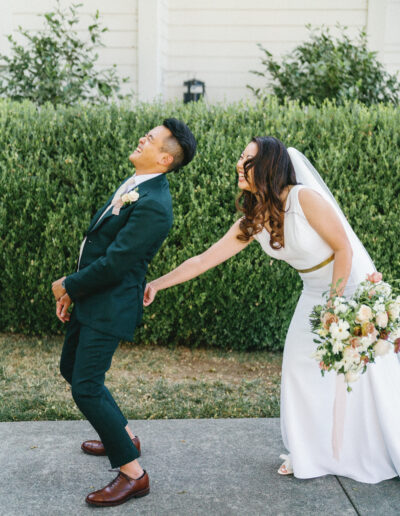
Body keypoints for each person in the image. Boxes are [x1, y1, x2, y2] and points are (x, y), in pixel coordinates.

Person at [143, 136, 400, 483]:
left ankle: (366, 447)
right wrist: (157, 284)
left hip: (348, 288)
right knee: (298, 366)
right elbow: (204, 259)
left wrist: (336, 306)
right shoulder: (255, 218)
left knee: (361, 376)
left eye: (247, 158)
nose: (238, 163)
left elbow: (343, 249)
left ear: (268, 166)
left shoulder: (304, 198)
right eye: (240, 156)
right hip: (312, 292)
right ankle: (309, 451)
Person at [51, 118, 196, 507]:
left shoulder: (154, 205)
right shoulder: (136, 185)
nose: (141, 139)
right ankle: (125, 435)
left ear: (165, 158)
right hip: (91, 298)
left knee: (85, 385)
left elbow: (116, 264)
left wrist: (69, 284)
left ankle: (133, 474)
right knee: (71, 370)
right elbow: (95, 243)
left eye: (149, 139)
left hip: (110, 306)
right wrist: (75, 292)